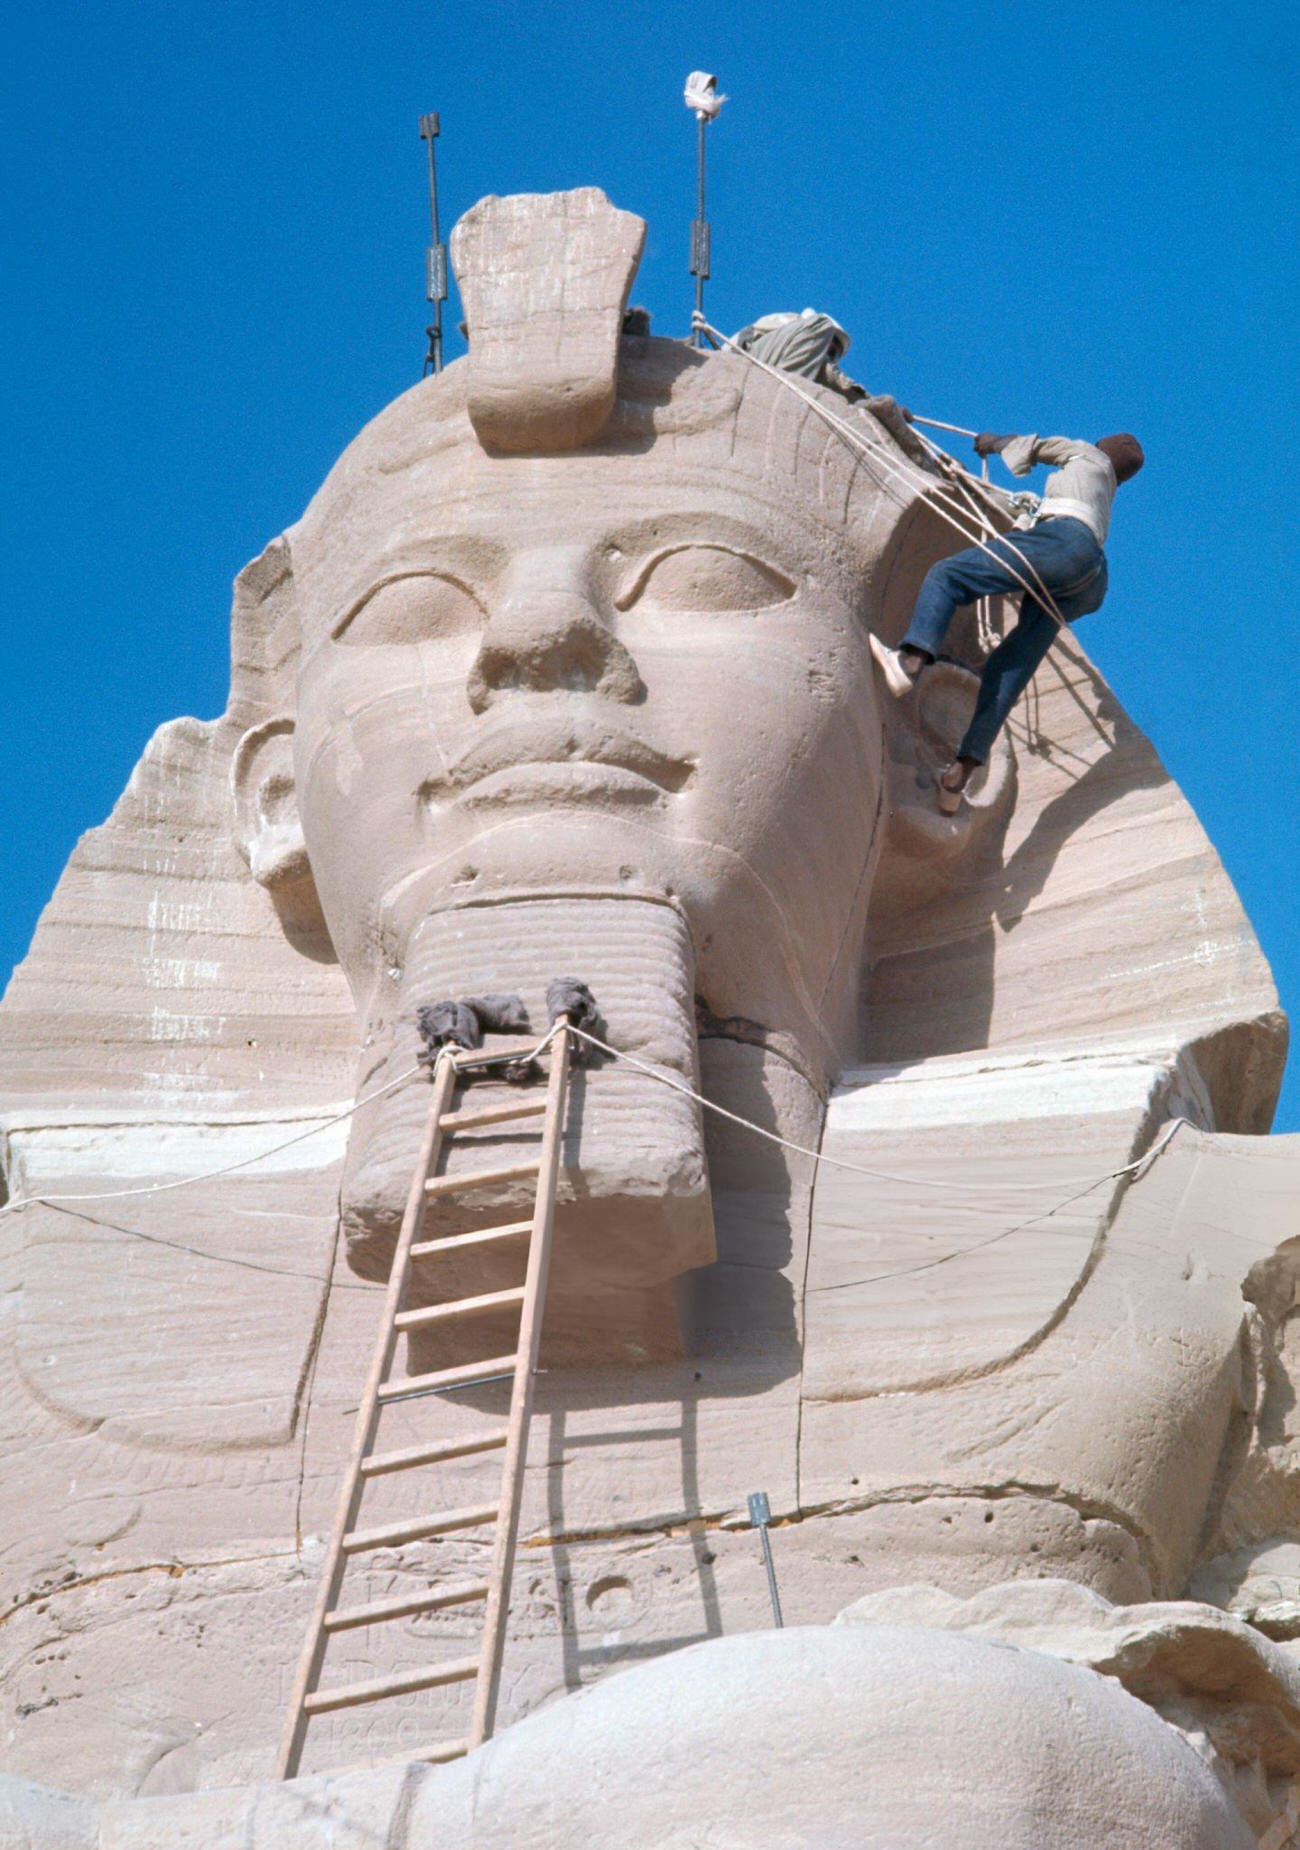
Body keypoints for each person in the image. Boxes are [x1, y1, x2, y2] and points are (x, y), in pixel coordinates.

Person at [871, 431, 1145, 810]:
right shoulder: (1104, 494)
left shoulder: (1087, 456)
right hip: (1091, 579)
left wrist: (995, 443)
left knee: (948, 576)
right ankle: (958, 778)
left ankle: (910, 661)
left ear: (1102, 449)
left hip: (1064, 544)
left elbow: (1034, 446)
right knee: (1011, 666)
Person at [732, 310, 938, 470]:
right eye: (829, 348)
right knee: (821, 325)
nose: (831, 357)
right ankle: (783, 401)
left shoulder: (810, 366)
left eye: (835, 354)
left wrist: (886, 414)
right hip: (751, 369)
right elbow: (833, 375)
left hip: (774, 379)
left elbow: (836, 382)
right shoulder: (792, 325)